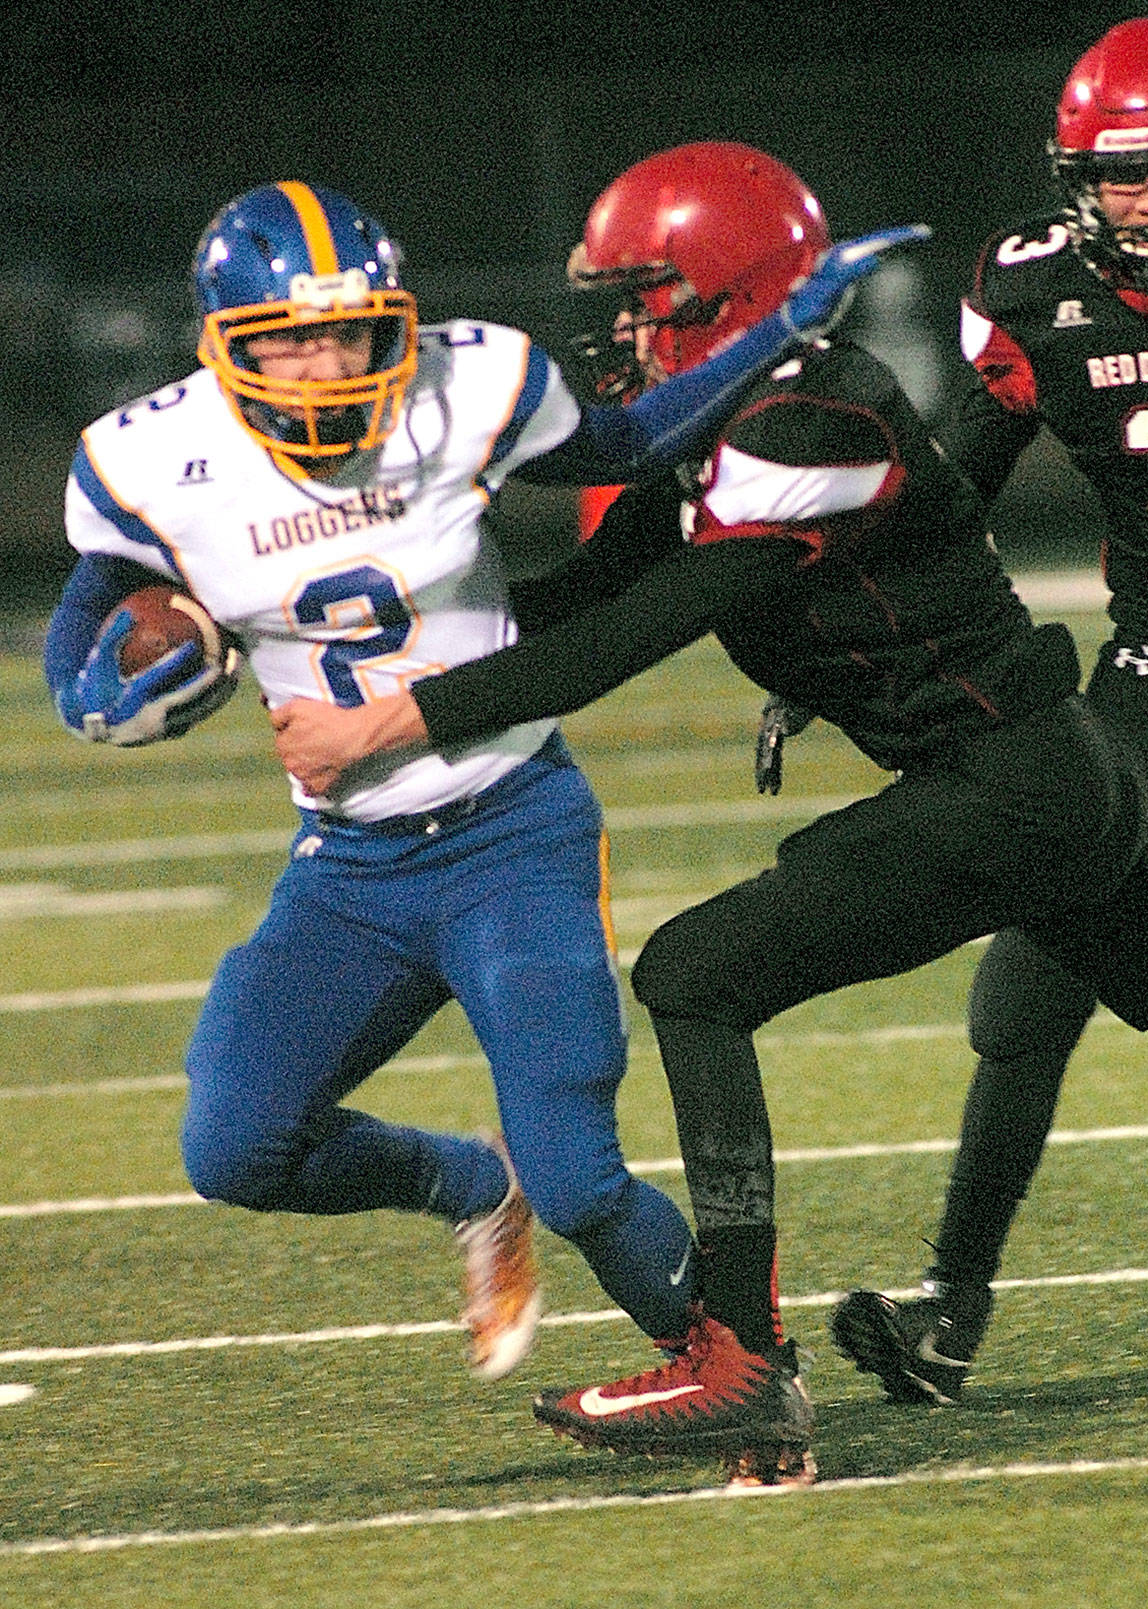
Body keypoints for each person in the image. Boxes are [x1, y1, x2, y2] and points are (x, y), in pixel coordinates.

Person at [266, 139, 1148, 1485]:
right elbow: (568, 599)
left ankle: (737, 1362)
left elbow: (620, 641)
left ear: (725, 300)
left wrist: (384, 722)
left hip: (1019, 790)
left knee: (696, 974)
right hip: (1036, 783)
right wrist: (355, 633)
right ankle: (745, 1368)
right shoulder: (726, 419)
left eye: (640, 298)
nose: (615, 330)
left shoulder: (811, 425)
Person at [43, 178, 899, 1396]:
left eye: (353, 331)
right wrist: (116, 695)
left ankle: (743, 1378)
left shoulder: (468, 385)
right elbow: (79, 651)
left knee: (581, 1177)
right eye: (292, 338)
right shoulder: (149, 463)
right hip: (350, 869)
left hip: (513, 833)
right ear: (225, 346)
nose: (330, 364)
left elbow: (630, 442)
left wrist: (784, 327)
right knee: (232, 1147)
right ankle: (465, 1186)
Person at [831, 14, 1148, 1408]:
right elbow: (964, 469)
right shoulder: (1028, 288)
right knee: (1027, 987)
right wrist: (834, 607)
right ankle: (947, 1314)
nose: (1144, 204)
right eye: (1116, 176)